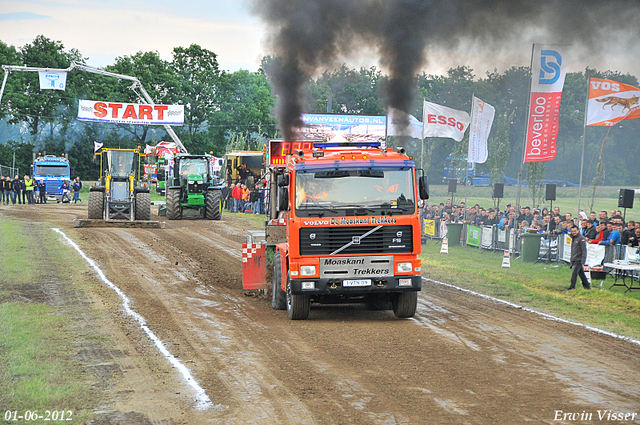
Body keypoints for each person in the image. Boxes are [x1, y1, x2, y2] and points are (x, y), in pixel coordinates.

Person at [567, 225, 591, 290]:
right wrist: (572, 259)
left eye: (575, 231)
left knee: (574, 274)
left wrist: (583, 260)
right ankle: (587, 287)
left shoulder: (581, 238)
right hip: (575, 258)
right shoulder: (573, 238)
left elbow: (584, 250)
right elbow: (573, 250)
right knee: (581, 274)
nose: (574, 232)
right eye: (572, 231)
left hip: (579, 259)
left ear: (578, 230)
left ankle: (572, 287)